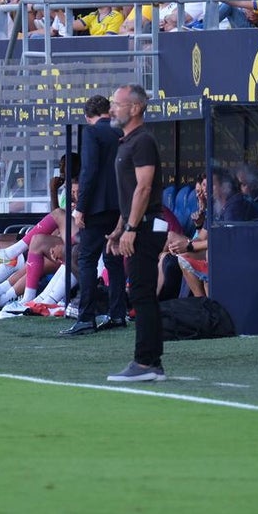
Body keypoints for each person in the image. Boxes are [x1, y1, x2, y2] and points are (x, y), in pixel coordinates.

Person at [106, 83, 168, 382]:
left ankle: (146, 363)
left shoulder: (142, 141)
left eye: (116, 104)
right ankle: (151, 361)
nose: (111, 109)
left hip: (146, 227)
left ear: (135, 108)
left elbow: (144, 188)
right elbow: (130, 193)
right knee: (141, 293)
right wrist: (120, 228)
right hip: (136, 226)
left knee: (143, 294)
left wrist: (131, 228)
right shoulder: (127, 142)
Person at [63, 94, 127, 336]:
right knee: (113, 259)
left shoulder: (92, 133)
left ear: (87, 116)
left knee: (87, 260)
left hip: (97, 208)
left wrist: (81, 208)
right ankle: (118, 314)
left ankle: (86, 318)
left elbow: (89, 171)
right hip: (119, 206)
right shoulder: (121, 131)